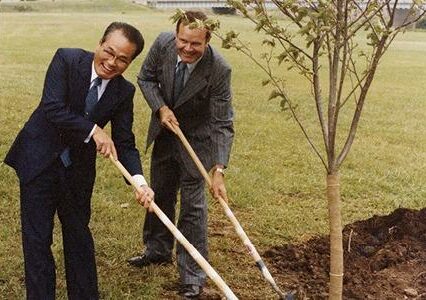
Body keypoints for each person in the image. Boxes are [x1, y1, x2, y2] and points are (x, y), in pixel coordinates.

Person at [4, 22, 154, 299]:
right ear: (99, 44)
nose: (112, 62)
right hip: (38, 162)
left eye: (122, 59)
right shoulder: (67, 59)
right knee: (37, 241)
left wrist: (139, 182)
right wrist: (93, 129)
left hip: (77, 171)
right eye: (108, 52)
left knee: (79, 237)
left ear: (130, 61)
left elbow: (124, 143)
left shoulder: (124, 92)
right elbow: (53, 107)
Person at [127, 10, 234, 298]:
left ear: (207, 40)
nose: (187, 48)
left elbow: (223, 122)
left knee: (193, 207)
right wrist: (160, 107)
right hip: (164, 133)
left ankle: (193, 275)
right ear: (176, 35)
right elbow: (145, 77)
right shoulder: (163, 44)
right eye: (183, 41)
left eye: (195, 44)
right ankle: (157, 250)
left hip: (196, 142)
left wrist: (218, 169)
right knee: (159, 193)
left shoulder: (219, 69)